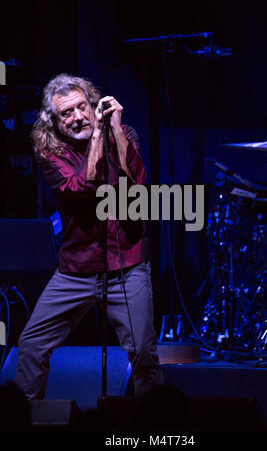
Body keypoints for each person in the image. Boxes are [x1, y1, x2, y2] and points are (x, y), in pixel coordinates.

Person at [15, 73, 164, 399]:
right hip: (77, 269)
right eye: (66, 113)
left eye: (81, 107)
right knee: (31, 344)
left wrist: (114, 130)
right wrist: (98, 134)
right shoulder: (49, 150)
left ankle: (155, 425)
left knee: (143, 353)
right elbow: (82, 187)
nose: (77, 117)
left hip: (127, 264)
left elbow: (136, 181)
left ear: (93, 104)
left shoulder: (121, 134)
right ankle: (22, 421)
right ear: (54, 120)